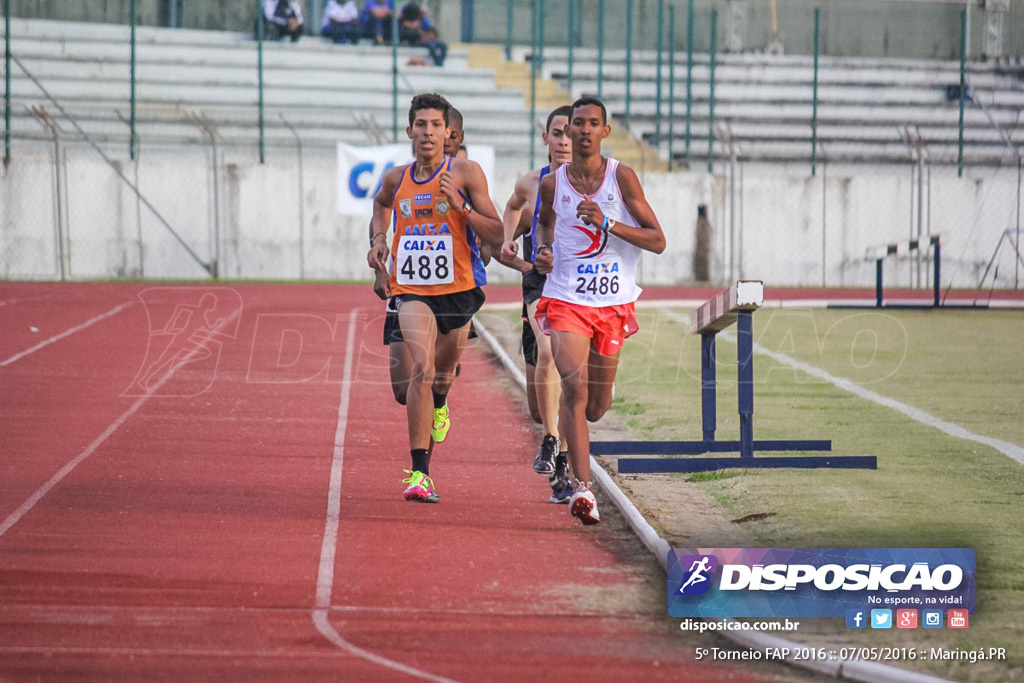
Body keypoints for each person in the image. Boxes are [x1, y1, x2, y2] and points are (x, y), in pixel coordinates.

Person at [533, 96, 666, 525]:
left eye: (594, 123)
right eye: (578, 123)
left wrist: (607, 223)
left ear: (605, 132)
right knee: (574, 390)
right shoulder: (553, 184)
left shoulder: (621, 178)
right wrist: (542, 251)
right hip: (568, 298)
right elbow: (545, 226)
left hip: (611, 303)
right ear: (566, 131)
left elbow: (657, 239)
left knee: (596, 406)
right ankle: (582, 489)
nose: (585, 130)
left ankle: (580, 457)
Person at [367, 93, 503, 503]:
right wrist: (378, 242)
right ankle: (420, 473)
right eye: (421, 125)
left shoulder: (466, 173)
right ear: (409, 131)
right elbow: (380, 204)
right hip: (411, 290)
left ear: (449, 133)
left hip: (458, 292)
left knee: (440, 377)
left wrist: (460, 208)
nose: (428, 132)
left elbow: (497, 234)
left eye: (435, 126)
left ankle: (440, 402)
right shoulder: (396, 178)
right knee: (420, 371)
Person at [498, 105, 574, 504]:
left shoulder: (595, 184)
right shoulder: (531, 183)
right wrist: (510, 239)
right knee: (536, 401)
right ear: (545, 138)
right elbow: (511, 207)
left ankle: (554, 445)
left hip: (578, 288)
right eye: (556, 133)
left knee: (553, 353)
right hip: (539, 282)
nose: (563, 140)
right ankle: (552, 438)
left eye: (569, 133)